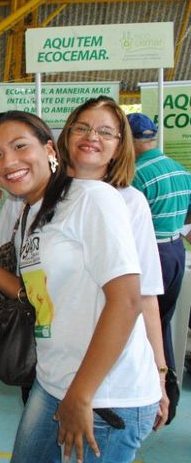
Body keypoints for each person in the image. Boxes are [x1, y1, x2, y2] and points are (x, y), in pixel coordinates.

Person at [0, 111, 159, 462]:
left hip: (104, 394)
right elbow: (35, 296)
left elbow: (126, 301)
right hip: (52, 381)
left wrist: (81, 394)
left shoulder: (92, 198)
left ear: (49, 149)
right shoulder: (33, 211)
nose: (8, 161)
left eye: (19, 146)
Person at [57, 97, 169, 430]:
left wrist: (160, 373)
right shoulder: (49, 198)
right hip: (54, 372)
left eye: (106, 132)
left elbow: (144, 296)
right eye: (83, 127)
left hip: (111, 384)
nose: (92, 136)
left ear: (120, 148)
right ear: (67, 135)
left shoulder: (130, 202)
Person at [128, 112, 191, 421]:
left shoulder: (137, 175)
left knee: (144, 326)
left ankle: (156, 393)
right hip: (176, 251)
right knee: (163, 323)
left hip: (150, 256)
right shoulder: (179, 170)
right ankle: (171, 395)